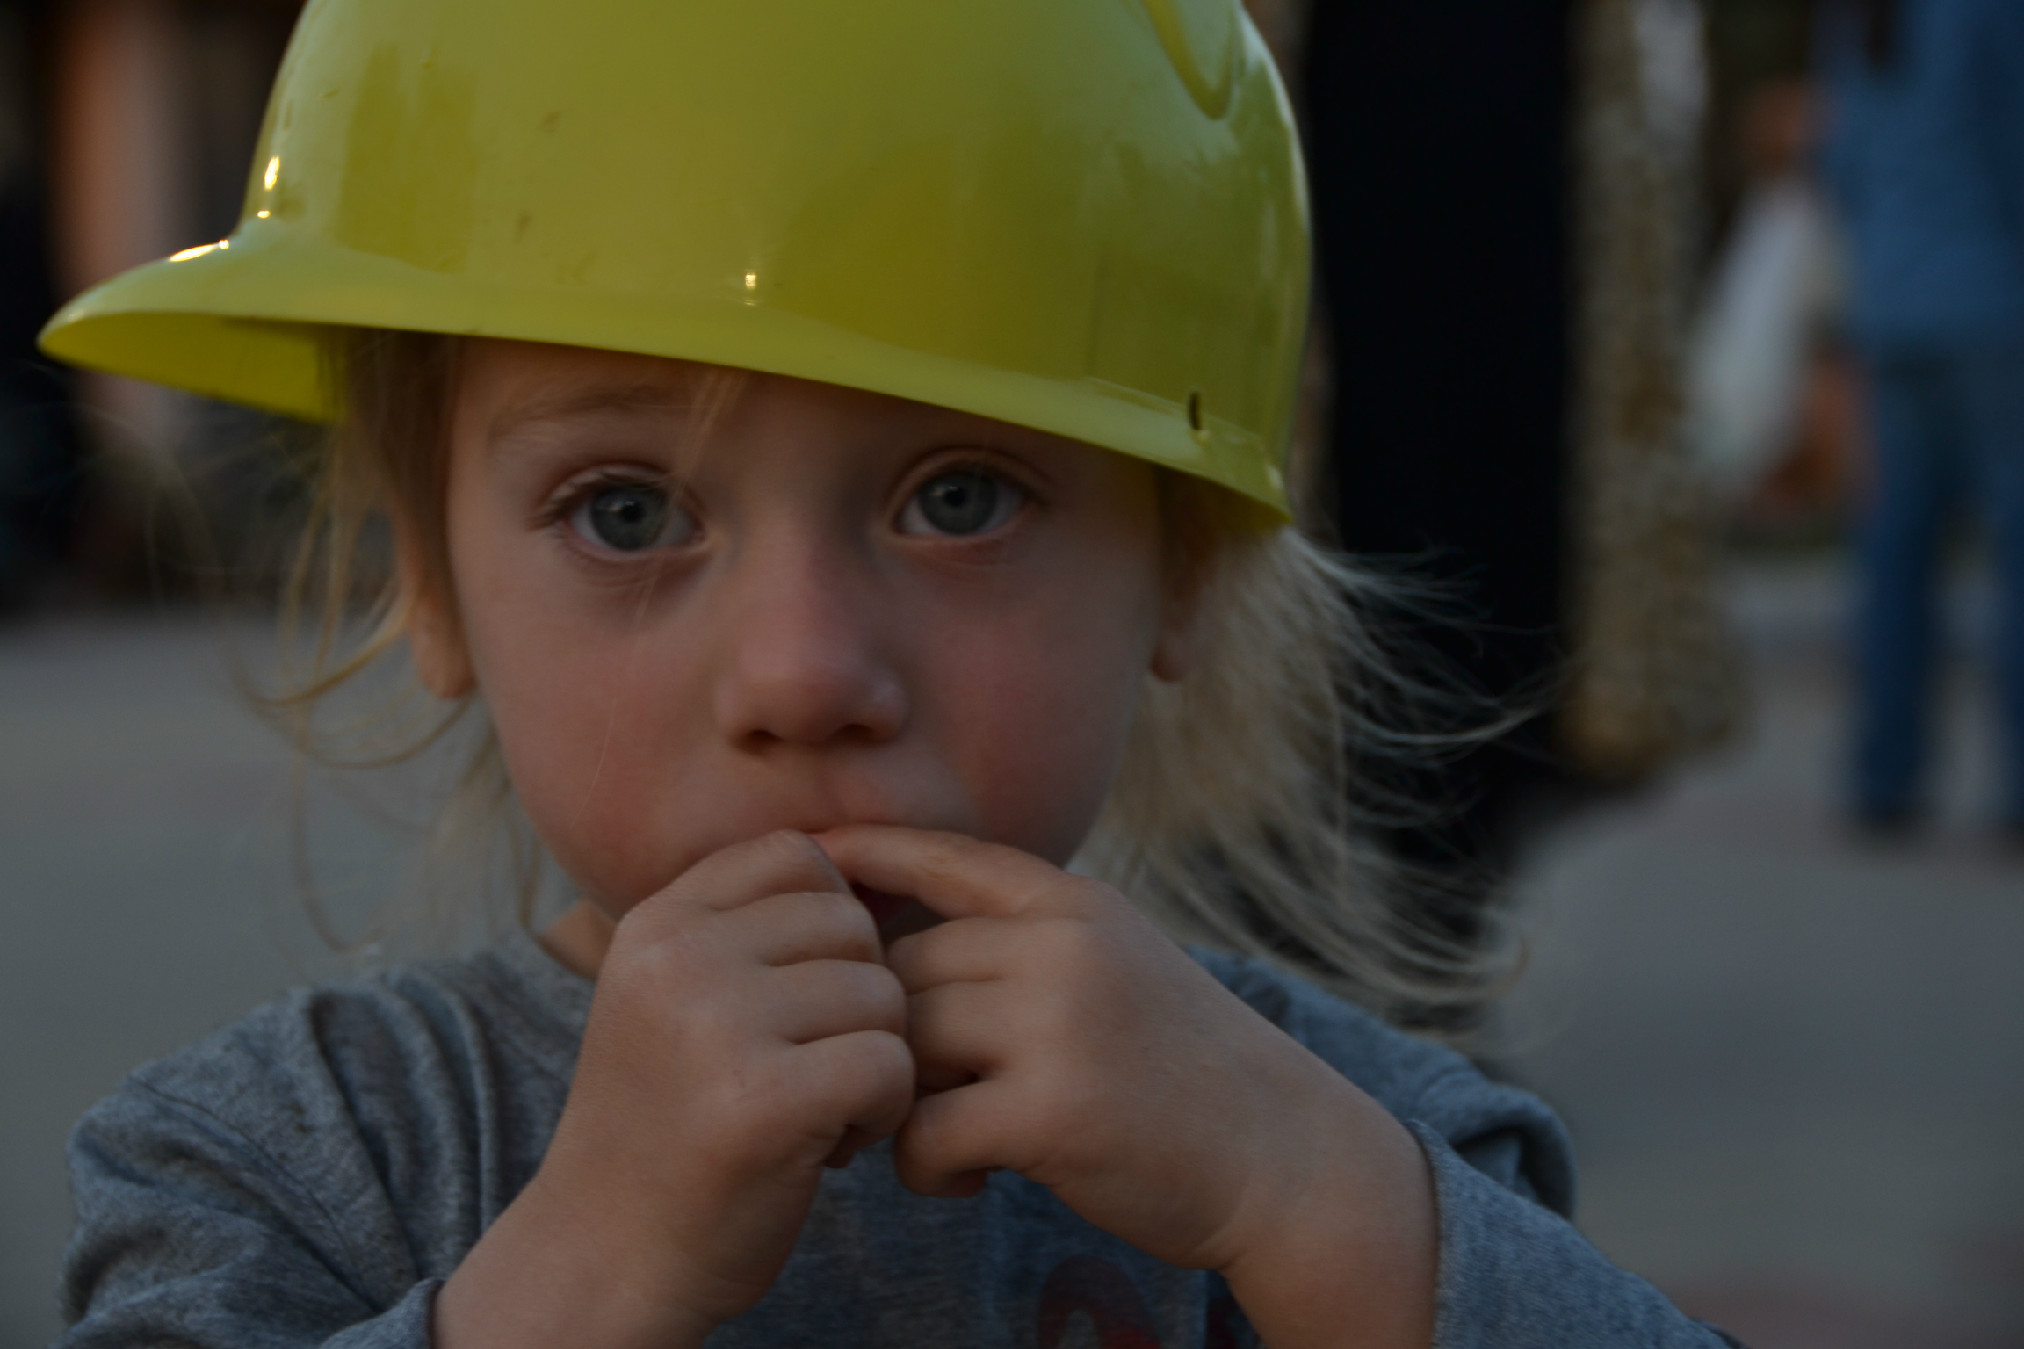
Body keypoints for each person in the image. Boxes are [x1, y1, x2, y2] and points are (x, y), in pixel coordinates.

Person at [39, 1, 1747, 1344]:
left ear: (1181, 559)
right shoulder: (285, 1159)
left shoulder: (1359, 1131)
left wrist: (1315, 1201)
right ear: (430, 571)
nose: (804, 674)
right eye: (626, 510)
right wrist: (573, 1276)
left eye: (960, 498)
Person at [1817, 0, 2024, 841]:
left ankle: (1885, 773)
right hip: (1993, 303)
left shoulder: (1856, 13)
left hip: (1890, 303)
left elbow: (1840, 160)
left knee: (1896, 547)